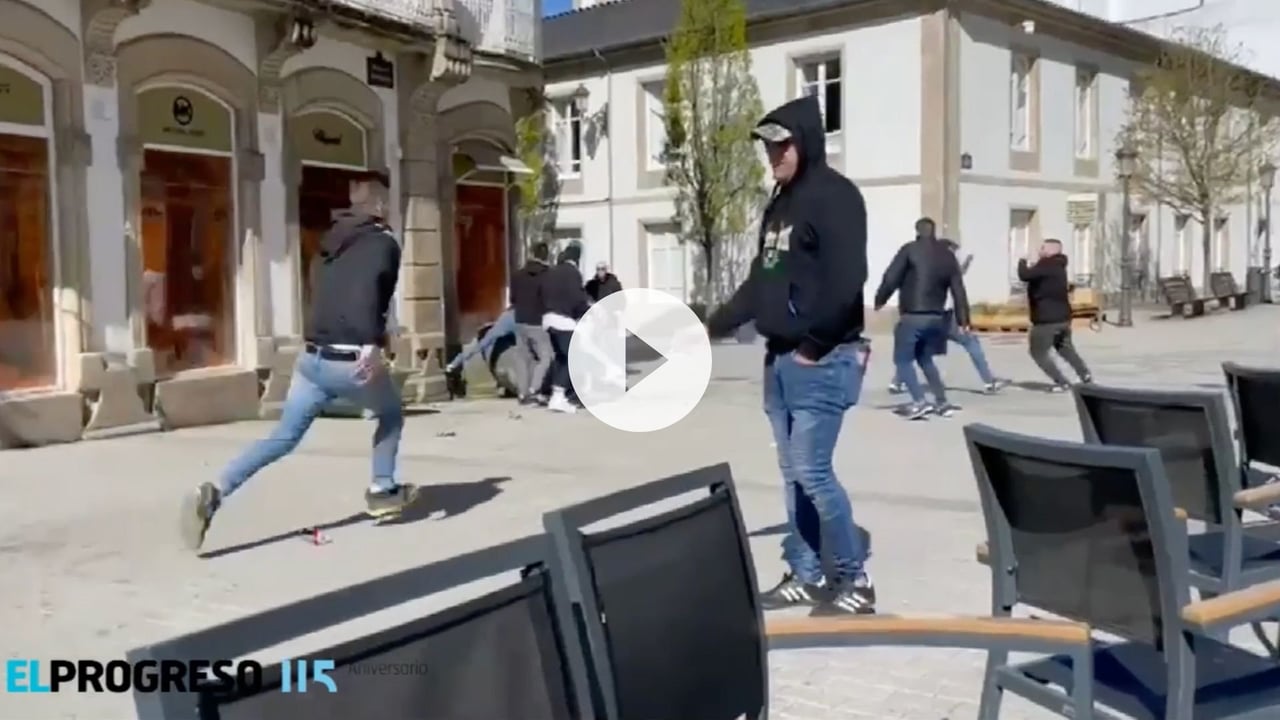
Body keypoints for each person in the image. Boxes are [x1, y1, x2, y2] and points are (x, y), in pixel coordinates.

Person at [706, 95, 875, 616]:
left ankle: (854, 580)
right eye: (767, 146)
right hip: (779, 362)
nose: (773, 154)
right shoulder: (779, 205)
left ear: (805, 140)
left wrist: (814, 345)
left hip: (821, 361)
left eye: (782, 144)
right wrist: (708, 327)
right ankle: (804, 573)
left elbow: (849, 281)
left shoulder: (835, 197)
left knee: (812, 468)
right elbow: (762, 282)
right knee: (793, 472)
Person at [179, 171, 409, 551]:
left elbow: (326, 291)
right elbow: (371, 291)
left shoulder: (329, 241)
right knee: (390, 414)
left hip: (312, 360)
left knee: (282, 438)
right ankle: (383, 490)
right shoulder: (383, 244)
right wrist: (371, 343)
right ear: (381, 206)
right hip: (351, 360)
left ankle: (216, 490)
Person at [874, 217, 969, 420]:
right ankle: (942, 403)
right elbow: (958, 290)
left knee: (902, 360)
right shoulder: (947, 256)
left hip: (912, 315)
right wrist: (963, 320)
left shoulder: (909, 250)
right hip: (936, 316)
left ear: (917, 230)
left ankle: (919, 401)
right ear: (934, 231)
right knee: (925, 358)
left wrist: (879, 300)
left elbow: (891, 278)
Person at [888, 239, 1007, 395]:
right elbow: (957, 283)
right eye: (954, 252)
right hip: (944, 317)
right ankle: (989, 381)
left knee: (916, 348)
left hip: (924, 316)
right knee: (971, 342)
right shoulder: (945, 265)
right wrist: (963, 320)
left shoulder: (925, 267)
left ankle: (897, 381)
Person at [1018, 239, 1093, 392]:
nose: (1040, 250)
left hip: (1046, 319)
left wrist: (1022, 260)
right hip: (1063, 318)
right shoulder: (1059, 265)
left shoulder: (1046, 265)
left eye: (1043, 248)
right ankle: (1085, 374)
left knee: (1038, 352)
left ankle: (1062, 382)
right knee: (1064, 348)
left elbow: (1024, 275)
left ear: (1051, 251)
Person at [541, 243, 591, 414]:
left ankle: (557, 395)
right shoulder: (572, 273)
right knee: (573, 358)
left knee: (562, 358)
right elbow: (577, 298)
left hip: (548, 319)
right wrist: (586, 311)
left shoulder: (553, 271)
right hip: (564, 321)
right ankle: (560, 396)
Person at [510, 242, 554, 404]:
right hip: (538, 321)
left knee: (522, 358)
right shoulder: (547, 275)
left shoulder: (517, 275)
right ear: (545, 256)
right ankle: (534, 388)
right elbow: (549, 298)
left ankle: (522, 393)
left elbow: (512, 299)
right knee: (546, 357)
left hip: (520, 320)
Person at [444, 306, 516, 375]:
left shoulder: (509, 317)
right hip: (511, 319)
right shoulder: (508, 318)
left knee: (483, 343)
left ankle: (454, 363)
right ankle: (454, 363)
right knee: (483, 344)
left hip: (513, 319)